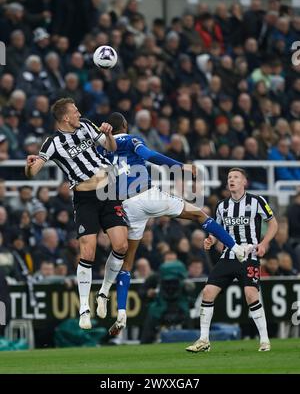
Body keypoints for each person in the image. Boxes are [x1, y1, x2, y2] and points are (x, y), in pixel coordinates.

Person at [97, 112, 252, 335]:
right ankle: (236, 249)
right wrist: (181, 166)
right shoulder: (131, 139)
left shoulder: (104, 148)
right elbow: (149, 155)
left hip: (126, 206)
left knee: (127, 263)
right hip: (147, 195)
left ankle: (121, 313)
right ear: (125, 125)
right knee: (200, 214)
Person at [24, 98, 128, 330]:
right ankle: (84, 307)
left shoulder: (88, 125)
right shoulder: (52, 143)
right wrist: (29, 164)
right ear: (65, 118)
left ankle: (103, 294)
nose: (79, 113)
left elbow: (111, 147)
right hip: (85, 199)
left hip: (109, 192)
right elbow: (33, 172)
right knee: (88, 251)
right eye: (75, 111)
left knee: (121, 246)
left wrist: (109, 134)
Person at [185, 168, 278, 353]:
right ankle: (204, 340)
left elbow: (273, 223)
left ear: (244, 182)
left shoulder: (257, 201)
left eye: (236, 177)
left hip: (249, 256)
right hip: (228, 256)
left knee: (251, 295)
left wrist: (264, 243)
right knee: (207, 292)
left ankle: (265, 340)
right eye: (229, 177)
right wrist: (211, 239)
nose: (232, 180)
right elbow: (217, 230)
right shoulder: (221, 206)